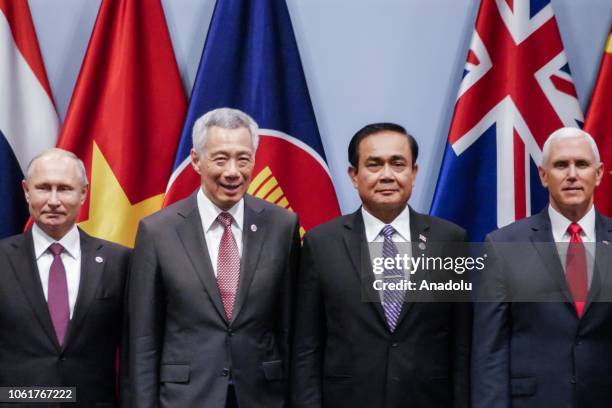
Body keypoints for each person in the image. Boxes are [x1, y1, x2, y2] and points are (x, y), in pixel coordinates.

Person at [128, 107, 300, 408]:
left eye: (243, 159)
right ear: (196, 160)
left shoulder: (282, 226)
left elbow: (290, 326)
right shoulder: (158, 231)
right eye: (220, 159)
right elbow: (143, 338)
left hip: (262, 395)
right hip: (185, 397)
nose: (232, 172)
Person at [292, 123, 471, 408]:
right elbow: (306, 347)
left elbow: (461, 344)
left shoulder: (449, 239)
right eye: (374, 165)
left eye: (398, 164)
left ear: (414, 173)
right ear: (354, 175)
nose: (387, 175)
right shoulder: (321, 243)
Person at [472, 127, 612, 407]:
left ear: (598, 174)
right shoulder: (504, 245)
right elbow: (490, 351)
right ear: (543, 175)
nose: (572, 174)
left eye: (581, 164)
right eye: (561, 165)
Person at [0, 148, 130, 407]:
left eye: (65, 189)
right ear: (26, 190)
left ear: (83, 193)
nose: (54, 200)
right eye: (43, 188)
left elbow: (136, 349)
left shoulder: (121, 262)